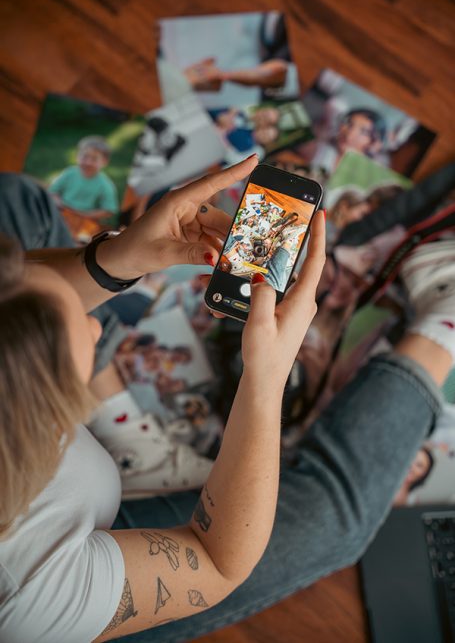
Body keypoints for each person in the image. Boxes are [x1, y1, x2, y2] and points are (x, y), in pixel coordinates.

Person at [0, 155, 454, 643]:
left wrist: (111, 262)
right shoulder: (29, 590)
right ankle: (444, 326)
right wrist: (266, 378)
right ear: (42, 424)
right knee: (328, 518)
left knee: (14, 204)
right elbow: (216, 562)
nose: (99, 327)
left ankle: (130, 438)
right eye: (76, 353)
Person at [50, 135, 119, 218]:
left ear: (104, 162)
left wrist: (85, 215)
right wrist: (59, 203)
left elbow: (109, 210)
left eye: (94, 159)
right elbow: (53, 191)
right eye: (84, 157)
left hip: (84, 218)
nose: (88, 162)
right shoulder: (70, 172)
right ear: (77, 156)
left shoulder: (105, 184)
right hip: (61, 211)